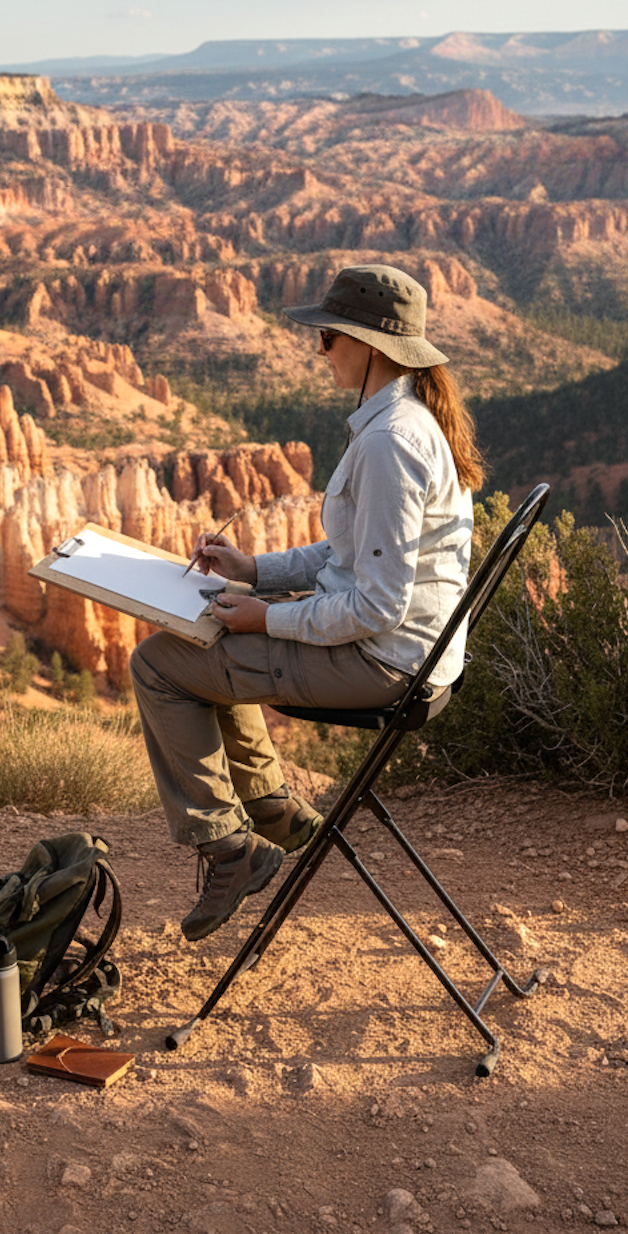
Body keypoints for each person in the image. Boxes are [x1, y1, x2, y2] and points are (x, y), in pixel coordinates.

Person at [129, 264, 483, 941]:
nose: (319, 351)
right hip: (406, 653)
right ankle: (272, 812)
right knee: (205, 640)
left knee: (158, 664)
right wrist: (255, 572)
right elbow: (345, 553)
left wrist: (267, 617)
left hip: (383, 662)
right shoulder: (405, 421)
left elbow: (375, 604)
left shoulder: (388, 443)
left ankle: (229, 848)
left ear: (370, 347)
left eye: (327, 338)